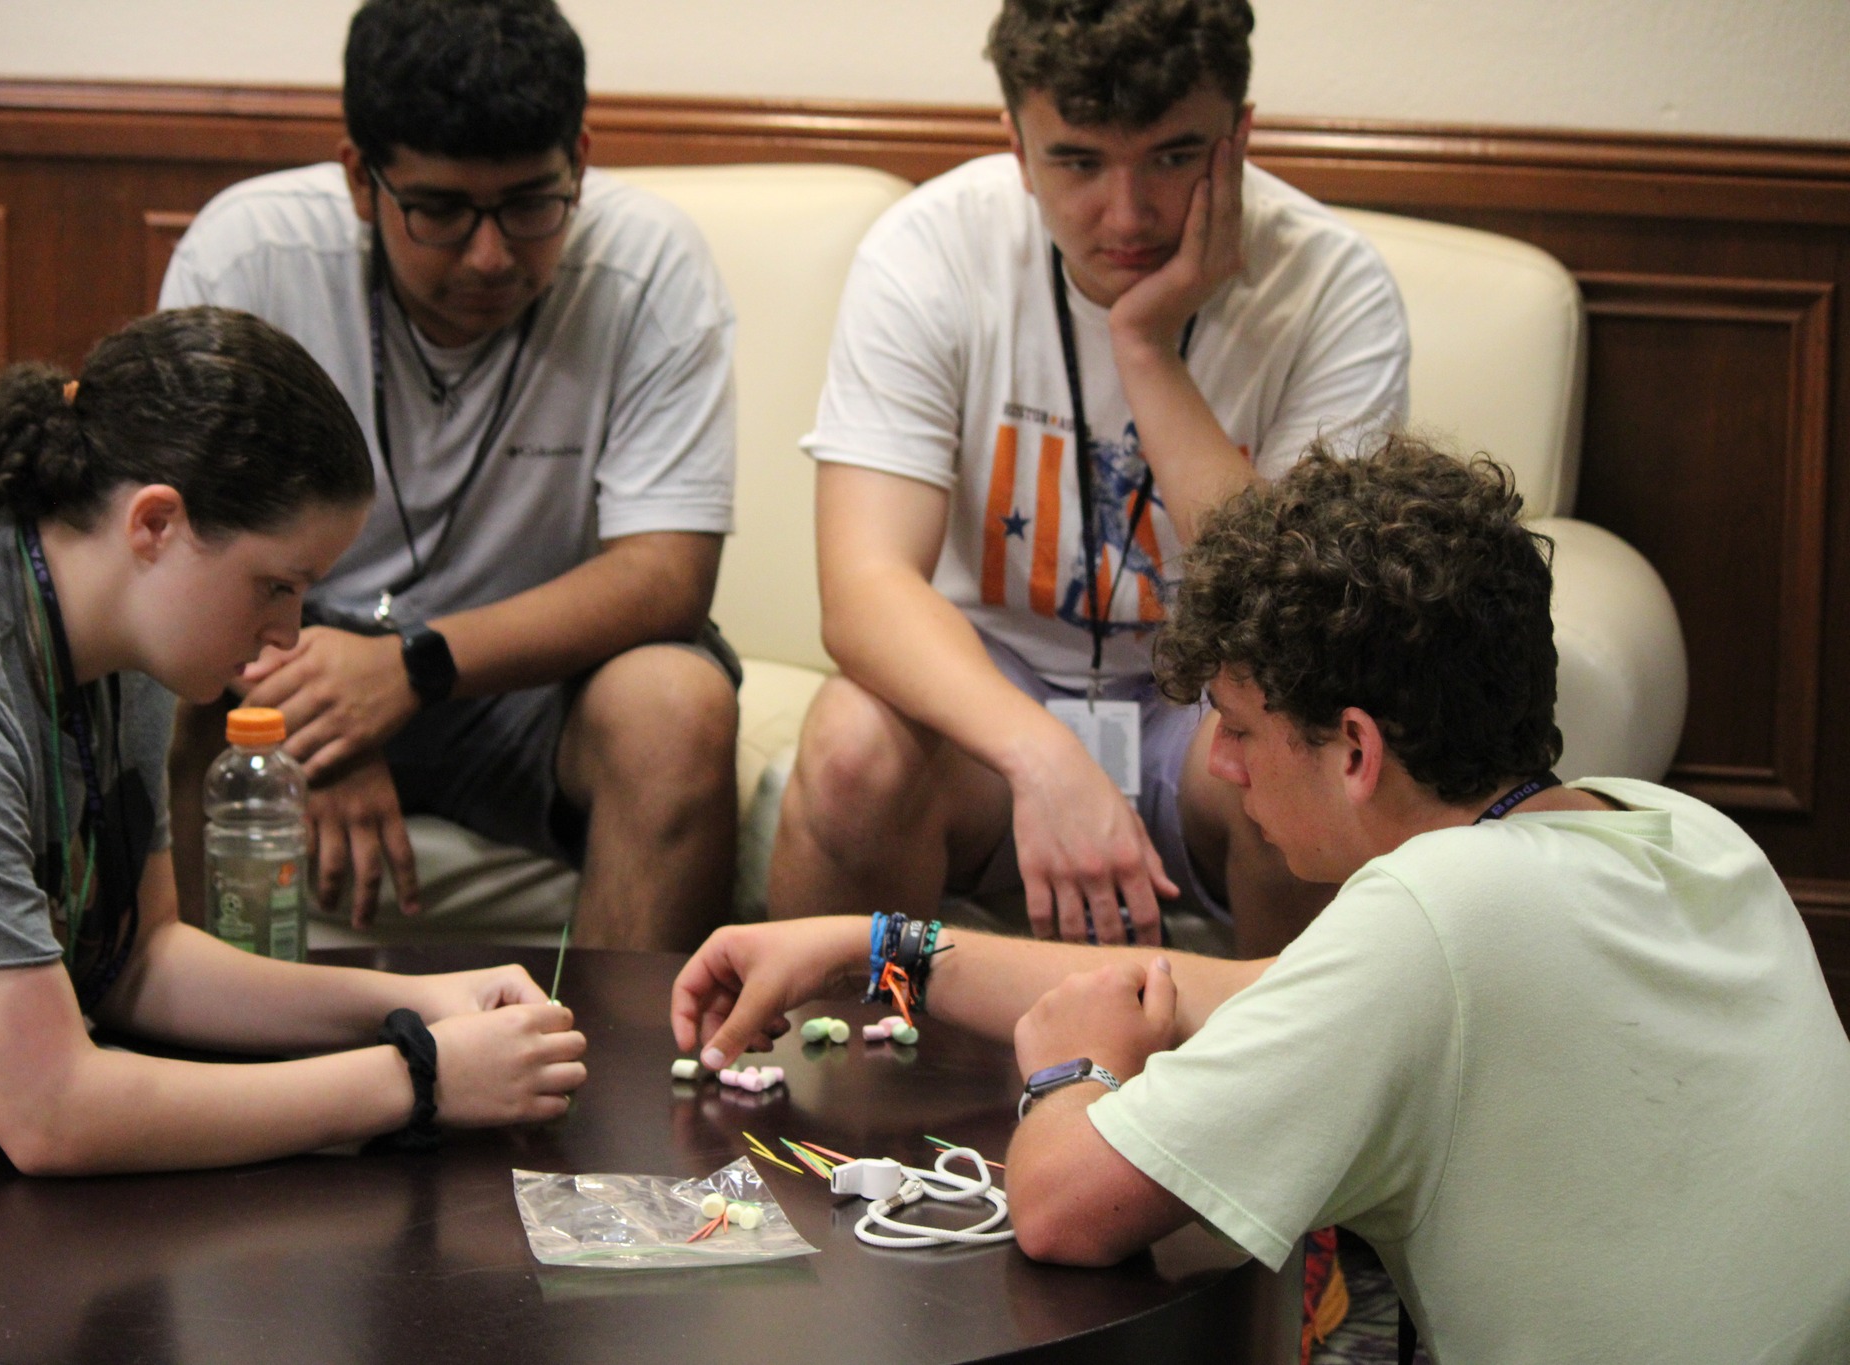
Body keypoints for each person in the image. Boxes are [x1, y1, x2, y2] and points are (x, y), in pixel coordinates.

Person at [674, 436, 1850, 1362]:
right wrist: (873, 946)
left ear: (1353, 749)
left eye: (1236, 730)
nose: (1222, 769)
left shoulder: (1433, 916)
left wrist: (1069, 1076)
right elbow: (1240, 995)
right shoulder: (1671, 831)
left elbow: (1063, 1209)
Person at [0, 307, 588, 1173]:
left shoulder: (123, 631)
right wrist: (420, 1075)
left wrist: (419, 1000)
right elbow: (51, 1113)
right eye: (276, 585)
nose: (288, 633)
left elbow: (139, 958)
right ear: (155, 524)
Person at [772, 0, 1408, 957]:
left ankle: (1285, 1092)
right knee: (853, 749)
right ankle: (847, 1095)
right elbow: (865, 592)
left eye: (1171, 155)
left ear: (1239, 135)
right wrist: (1040, 755)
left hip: (1213, 700)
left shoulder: (1331, 288)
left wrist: (1146, 345)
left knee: (1319, 746)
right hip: (993, 696)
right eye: (1077, 161)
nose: (1128, 213)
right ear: (1017, 148)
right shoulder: (930, 251)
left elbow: (1298, 619)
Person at [159, 0, 740, 950]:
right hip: (281, 651)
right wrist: (307, 715)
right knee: (164, 691)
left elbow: (666, 576)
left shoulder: (651, 267)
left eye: (529, 204)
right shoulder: (253, 253)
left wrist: (410, 673)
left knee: (677, 709)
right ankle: (183, 1052)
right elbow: (182, 552)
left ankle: (621, 1081)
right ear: (361, 178)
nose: (490, 255)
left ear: (581, 160)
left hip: (523, 678)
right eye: (437, 210)